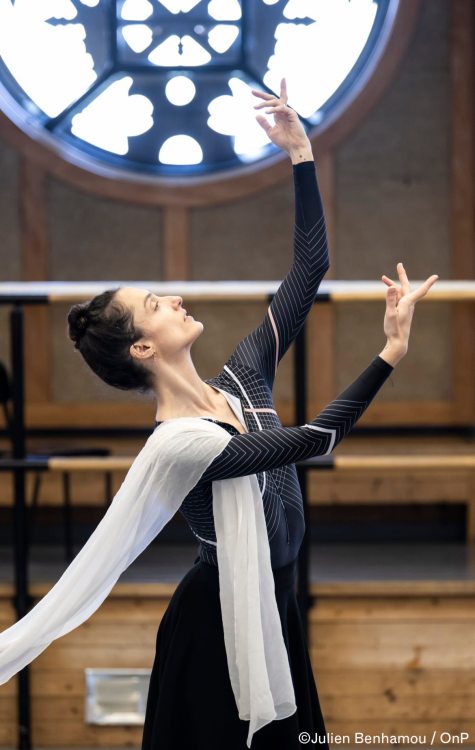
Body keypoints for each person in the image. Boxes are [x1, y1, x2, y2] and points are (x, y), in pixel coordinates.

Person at [1, 80, 438, 749]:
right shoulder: (180, 444)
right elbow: (317, 439)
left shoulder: (240, 376)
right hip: (219, 625)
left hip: (276, 611)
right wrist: (389, 352)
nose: (173, 298)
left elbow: (308, 266)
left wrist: (299, 153)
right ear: (142, 347)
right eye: (155, 304)